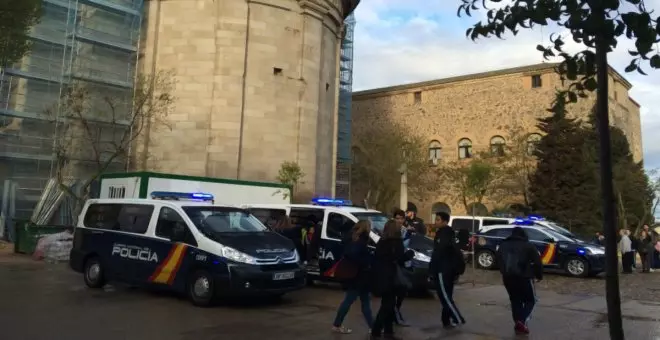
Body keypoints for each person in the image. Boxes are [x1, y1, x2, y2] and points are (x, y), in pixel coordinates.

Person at [370, 220, 414, 340]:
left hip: (381, 276)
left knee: (388, 304)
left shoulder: (382, 241)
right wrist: (409, 254)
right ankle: (376, 330)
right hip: (391, 276)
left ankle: (389, 331)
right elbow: (399, 259)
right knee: (387, 305)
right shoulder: (396, 242)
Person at [496, 227, 543, 335]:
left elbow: (498, 260)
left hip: (508, 277)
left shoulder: (503, 245)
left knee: (515, 300)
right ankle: (521, 321)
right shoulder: (528, 246)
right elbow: (537, 263)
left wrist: (503, 271)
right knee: (531, 300)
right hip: (525, 277)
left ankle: (518, 322)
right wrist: (538, 275)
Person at [331, 220, 374, 334]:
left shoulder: (350, 238)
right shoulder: (361, 240)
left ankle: (372, 326)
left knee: (353, 300)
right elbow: (356, 256)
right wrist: (367, 260)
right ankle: (337, 324)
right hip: (359, 275)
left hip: (353, 274)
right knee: (358, 301)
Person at [429, 211, 466, 329]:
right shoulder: (446, 233)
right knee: (447, 295)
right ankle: (446, 320)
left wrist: (432, 269)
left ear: (445, 221)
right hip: (447, 269)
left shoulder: (444, 234)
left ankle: (457, 318)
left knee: (444, 296)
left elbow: (438, 253)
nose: (436, 222)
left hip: (443, 270)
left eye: (438, 220)